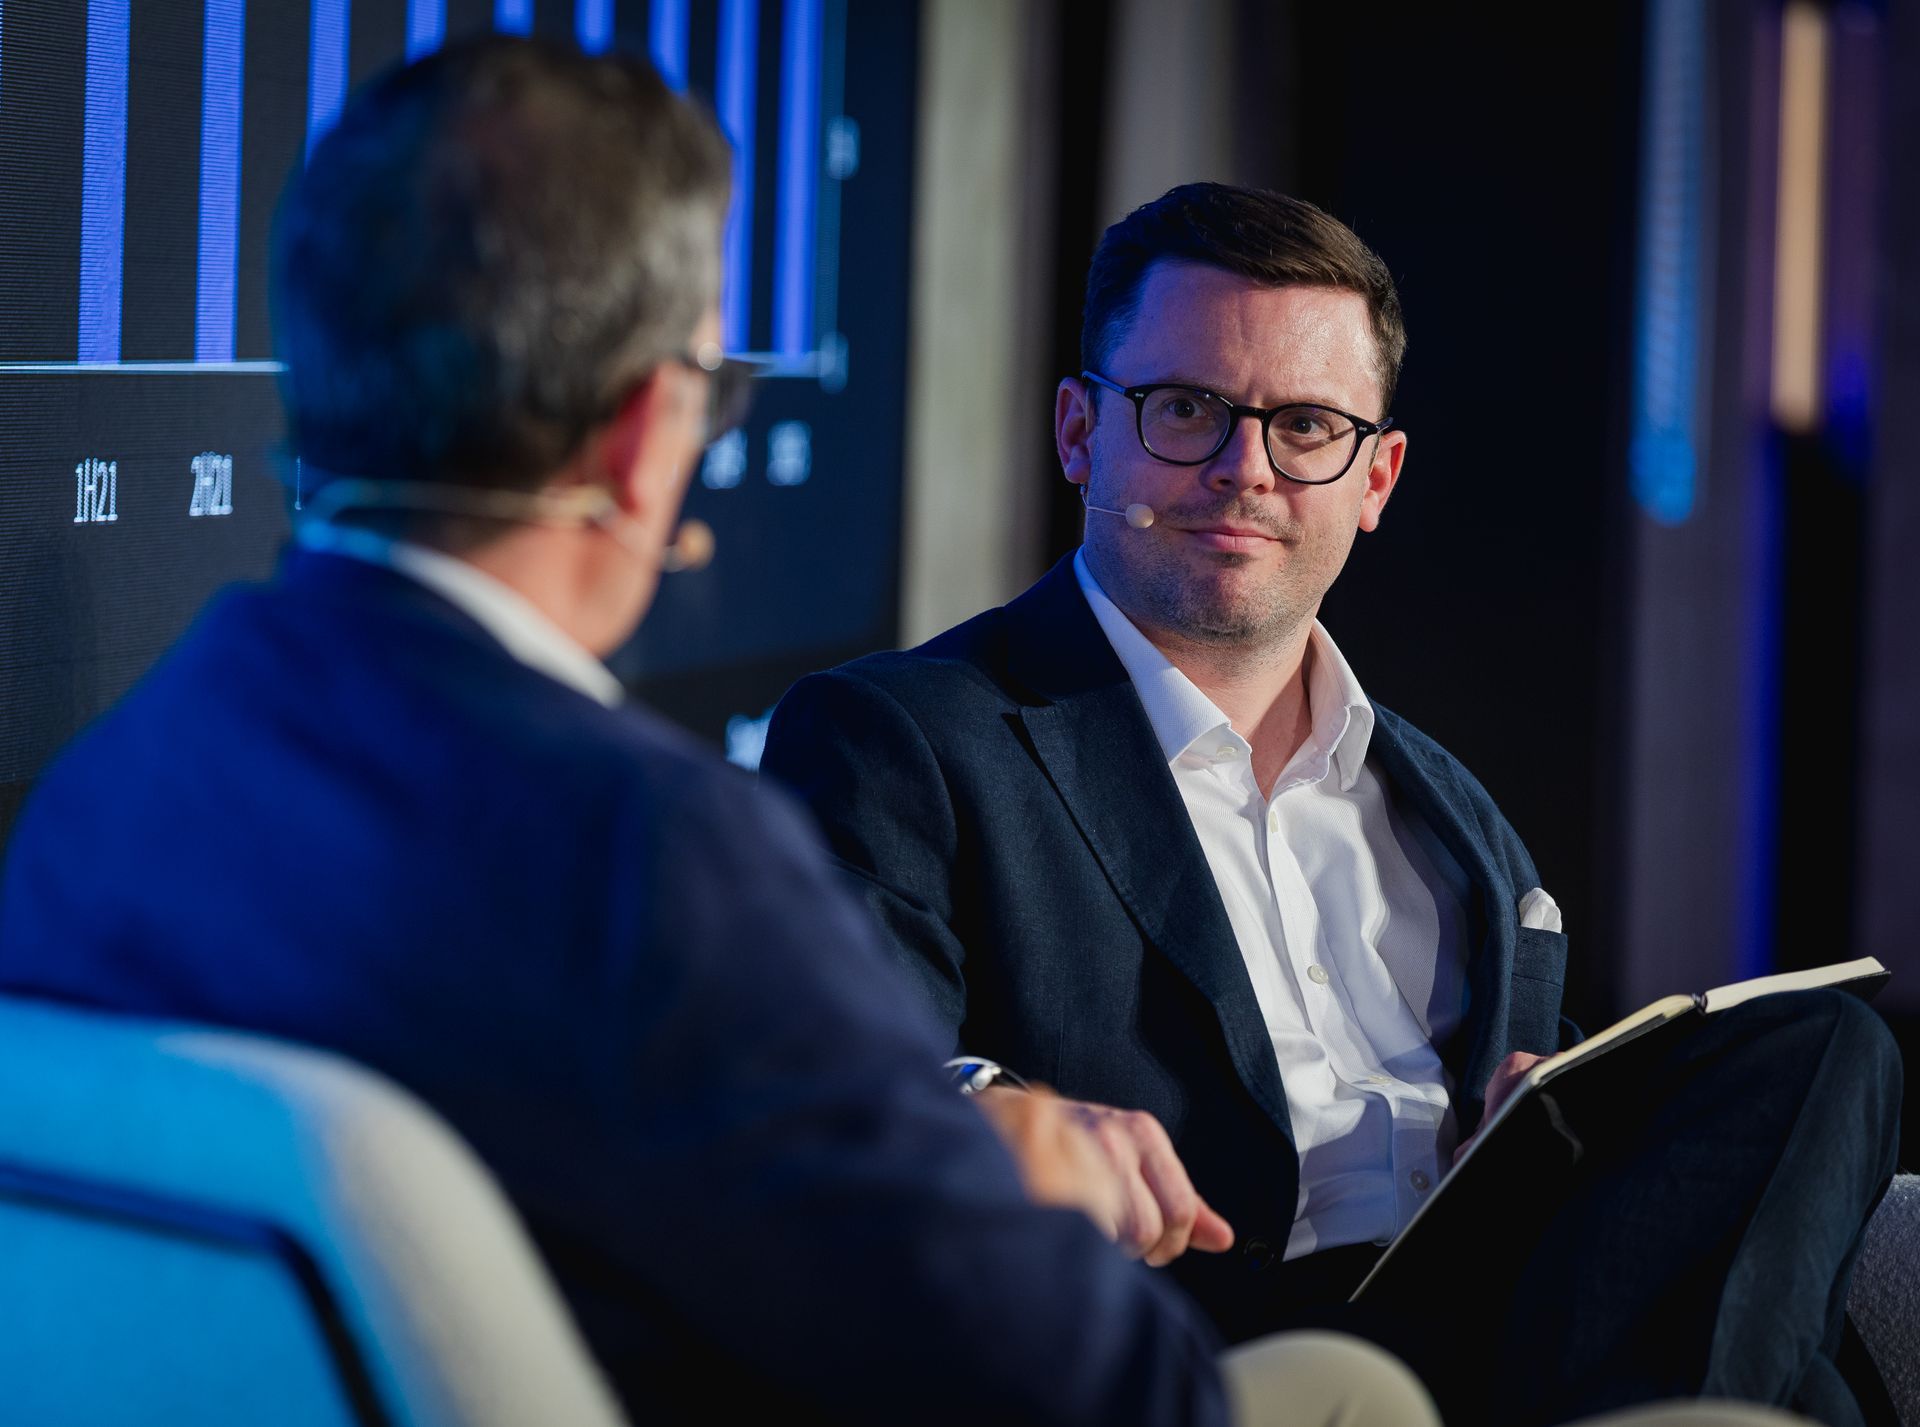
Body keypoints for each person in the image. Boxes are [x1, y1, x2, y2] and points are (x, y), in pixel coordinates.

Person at [0, 45, 1446, 1427]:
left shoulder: (108, 785)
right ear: (643, 438)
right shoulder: (657, 858)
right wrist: (1017, 1178)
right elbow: (1104, 1388)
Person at [761, 183, 1902, 1426]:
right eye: (1187, 408)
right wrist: (998, 1104)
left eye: (1306, 425)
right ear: (1081, 430)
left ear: (1376, 476)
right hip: (1212, 1342)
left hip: (1507, 1327)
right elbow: (834, 1080)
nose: (1245, 469)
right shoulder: (901, 737)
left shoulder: (1451, 813)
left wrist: (1539, 1110)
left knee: (1824, 1047)